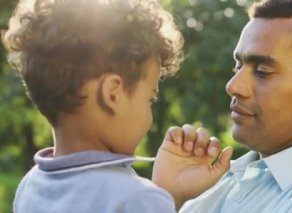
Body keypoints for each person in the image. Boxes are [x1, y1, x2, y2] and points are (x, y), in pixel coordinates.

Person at [2, 0, 233, 212]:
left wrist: (166, 194)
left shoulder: (31, 186)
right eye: (149, 100)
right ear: (113, 94)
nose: (149, 116)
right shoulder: (136, 199)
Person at [155, 0, 292, 212]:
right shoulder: (222, 183)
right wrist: (170, 197)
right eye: (238, 66)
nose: (233, 86)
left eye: (262, 71)